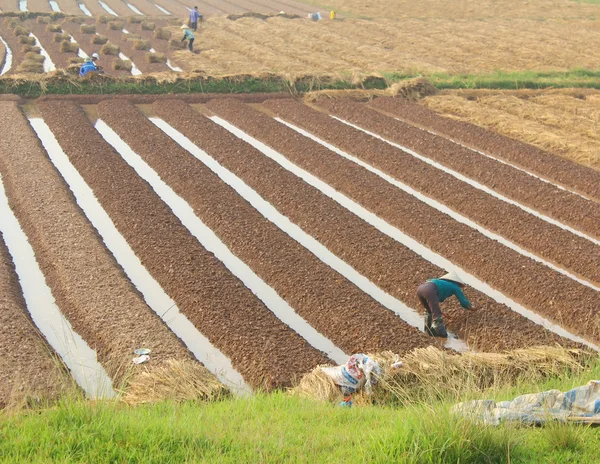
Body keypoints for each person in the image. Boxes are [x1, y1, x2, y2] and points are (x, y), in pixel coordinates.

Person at [417, 271, 472, 338]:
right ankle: (442, 334)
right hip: (430, 290)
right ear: (457, 282)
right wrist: (472, 308)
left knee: (429, 311)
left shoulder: (438, 282)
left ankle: (427, 331)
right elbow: (464, 303)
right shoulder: (455, 286)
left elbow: (433, 306)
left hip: (420, 289)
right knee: (437, 317)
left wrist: (439, 311)